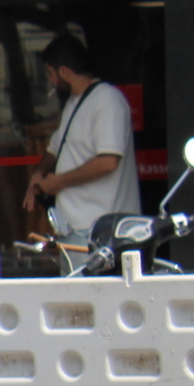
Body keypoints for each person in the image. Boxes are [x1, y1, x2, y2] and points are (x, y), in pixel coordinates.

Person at [25, 33, 138, 243]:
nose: (51, 81)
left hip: (101, 228)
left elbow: (108, 162)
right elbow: (56, 147)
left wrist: (60, 181)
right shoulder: (74, 103)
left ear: (64, 71)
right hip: (75, 226)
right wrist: (39, 174)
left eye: (51, 73)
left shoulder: (107, 101)